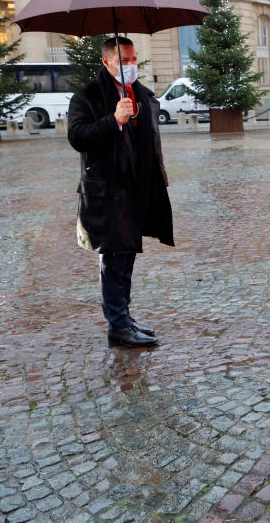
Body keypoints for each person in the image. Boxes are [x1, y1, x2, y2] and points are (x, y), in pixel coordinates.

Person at [67, 36, 173, 348]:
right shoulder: (87, 97)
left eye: (133, 58)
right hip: (107, 193)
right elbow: (77, 137)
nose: (131, 65)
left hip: (137, 190)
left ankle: (123, 316)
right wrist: (114, 120)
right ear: (106, 61)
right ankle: (117, 326)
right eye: (124, 59)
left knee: (127, 258)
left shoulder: (140, 95)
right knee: (113, 261)